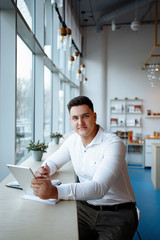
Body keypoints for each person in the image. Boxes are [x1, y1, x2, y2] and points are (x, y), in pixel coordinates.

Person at [31, 96, 138, 240]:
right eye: (75, 118)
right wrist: (45, 168)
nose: (80, 122)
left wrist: (54, 191)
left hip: (117, 213)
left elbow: (99, 188)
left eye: (85, 116)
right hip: (85, 209)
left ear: (94, 116)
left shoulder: (113, 144)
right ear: (71, 121)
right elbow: (53, 161)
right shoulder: (73, 141)